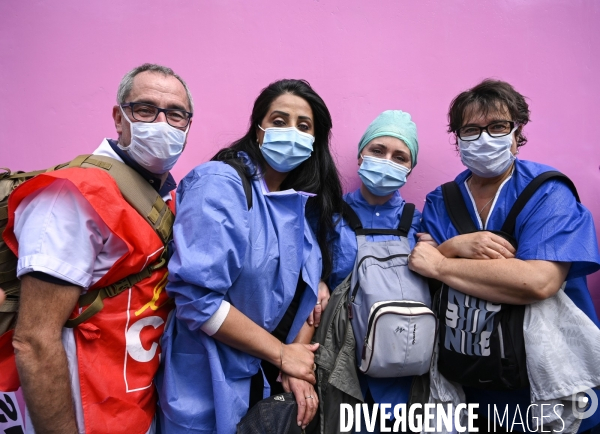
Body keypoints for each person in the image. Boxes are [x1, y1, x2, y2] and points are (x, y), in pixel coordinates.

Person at [5, 63, 194, 434]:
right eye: (145, 109)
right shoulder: (72, 195)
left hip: (134, 405)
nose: (162, 123)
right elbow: (34, 340)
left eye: (176, 114)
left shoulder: (167, 200)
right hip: (81, 413)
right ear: (119, 118)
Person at [409, 79, 600, 432]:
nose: (484, 138)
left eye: (497, 126)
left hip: (538, 379)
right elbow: (419, 265)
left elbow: (537, 281)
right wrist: (455, 248)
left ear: (517, 132)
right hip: (466, 371)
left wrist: (441, 261)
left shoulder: (547, 192)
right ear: (458, 138)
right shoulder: (441, 200)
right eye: (471, 130)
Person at [155, 79, 343, 434]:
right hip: (205, 385)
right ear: (258, 130)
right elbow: (197, 299)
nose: (291, 131)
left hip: (265, 385)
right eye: (279, 120)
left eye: (303, 126)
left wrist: (296, 362)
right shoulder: (221, 183)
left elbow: (302, 288)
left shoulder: (297, 204)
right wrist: (283, 355)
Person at [327, 110, 422, 433]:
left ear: (410, 169)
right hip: (342, 353)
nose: (387, 161)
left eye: (400, 157)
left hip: (404, 361)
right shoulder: (331, 215)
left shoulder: (419, 222)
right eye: (378, 151)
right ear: (360, 155)